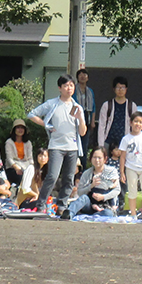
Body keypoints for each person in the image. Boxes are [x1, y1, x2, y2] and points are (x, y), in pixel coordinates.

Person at [28, 74, 87, 218]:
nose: (69, 88)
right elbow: (32, 114)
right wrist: (46, 125)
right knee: (52, 176)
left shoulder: (77, 107)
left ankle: (61, 206)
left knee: (68, 178)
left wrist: (80, 117)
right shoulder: (52, 103)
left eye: (71, 85)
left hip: (72, 147)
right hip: (56, 146)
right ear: (60, 88)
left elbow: (83, 132)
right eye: (66, 85)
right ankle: (41, 205)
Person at [118, 111, 142, 222]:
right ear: (130, 123)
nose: (137, 124)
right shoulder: (126, 139)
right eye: (135, 121)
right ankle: (133, 214)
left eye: (140, 122)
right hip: (131, 168)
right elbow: (123, 157)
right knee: (132, 190)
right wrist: (122, 172)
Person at [64, 146, 119, 218]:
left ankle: (93, 216)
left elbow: (117, 190)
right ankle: (69, 214)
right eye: (94, 157)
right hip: (90, 205)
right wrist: (91, 186)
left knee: (108, 213)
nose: (97, 160)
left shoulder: (111, 171)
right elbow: (80, 192)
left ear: (105, 159)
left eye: (99, 158)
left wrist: (103, 197)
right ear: (91, 158)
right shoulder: (87, 173)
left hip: (106, 206)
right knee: (83, 198)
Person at [96, 76, 138, 155]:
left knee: (123, 165)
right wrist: (101, 145)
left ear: (126, 89)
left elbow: (135, 125)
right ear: (114, 89)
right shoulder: (107, 105)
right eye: (118, 87)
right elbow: (101, 126)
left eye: (123, 87)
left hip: (125, 141)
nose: (120, 90)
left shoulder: (132, 106)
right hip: (108, 142)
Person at [3, 118, 34, 191]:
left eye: (22, 128)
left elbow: (30, 158)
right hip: (13, 167)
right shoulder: (9, 142)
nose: (20, 130)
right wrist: (17, 168)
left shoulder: (28, 143)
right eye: (18, 127)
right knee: (21, 178)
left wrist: (32, 168)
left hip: (26, 166)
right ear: (14, 130)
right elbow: (9, 158)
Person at [75, 68, 96, 158]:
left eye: (85, 75)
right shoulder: (74, 90)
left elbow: (93, 107)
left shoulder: (90, 91)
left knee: (84, 145)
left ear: (87, 78)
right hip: (76, 119)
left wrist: (92, 121)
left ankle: (83, 167)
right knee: (75, 143)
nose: (83, 76)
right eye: (80, 75)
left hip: (87, 118)